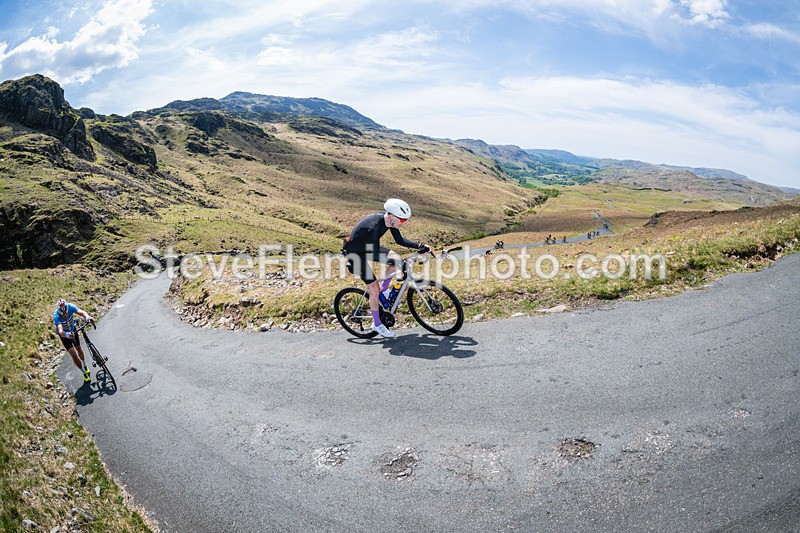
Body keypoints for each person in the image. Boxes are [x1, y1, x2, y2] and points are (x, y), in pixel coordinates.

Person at [343, 199, 430, 338]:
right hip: (355, 253)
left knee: (395, 258)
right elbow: (374, 252)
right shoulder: (374, 225)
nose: (403, 223)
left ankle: (385, 292)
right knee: (374, 289)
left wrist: (419, 246)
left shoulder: (390, 221)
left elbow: (399, 241)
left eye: (405, 220)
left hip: (368, 248)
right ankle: (376, 324)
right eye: (402, 220)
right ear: (391, 216)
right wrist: (402, 265)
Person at [53, 298, 95, 382]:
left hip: (72, 330)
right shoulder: (56, 316)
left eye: (66, 313)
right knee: (74, 355)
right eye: (62, 314)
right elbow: (60, 331)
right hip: (65, 335)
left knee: (79, 348)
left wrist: (87, 317)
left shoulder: (70, 306)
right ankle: (84, 372)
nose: (65, 315)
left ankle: (84, 364)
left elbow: (81, 312)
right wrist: (68, 335)